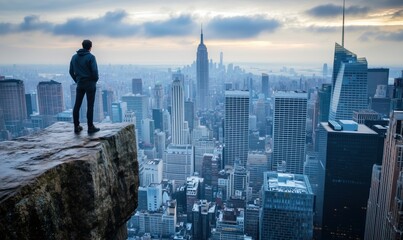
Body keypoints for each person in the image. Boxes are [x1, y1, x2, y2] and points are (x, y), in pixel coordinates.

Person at [69, 39, 100, 133]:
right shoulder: (91, 57)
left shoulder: (74, 57)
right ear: (90, 47)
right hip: (90, 84)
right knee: (90, 106)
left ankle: (76, 126)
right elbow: (95, 72)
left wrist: (77, 80)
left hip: (80, 84)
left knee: (77, 105)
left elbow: (71, 71)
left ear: (82, 46)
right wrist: (94, 80)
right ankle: (90, 127)